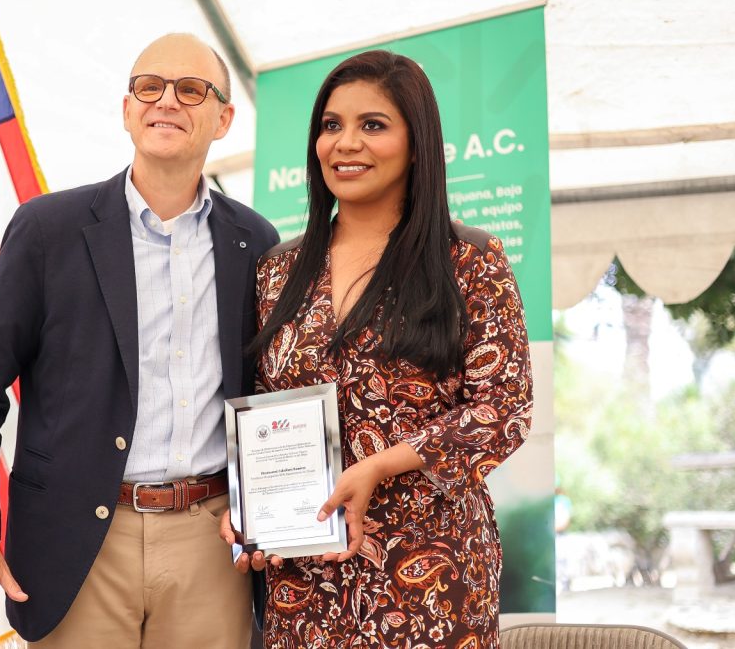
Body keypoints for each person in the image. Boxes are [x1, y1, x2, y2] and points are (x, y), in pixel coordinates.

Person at [0, 33, 278, 647]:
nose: (166, 102)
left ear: (224, 118)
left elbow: (269, 390)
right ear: (127, 110)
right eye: (149, 87)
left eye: (191, 90)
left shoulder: (255, 242)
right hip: (78, 543)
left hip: (211, 544)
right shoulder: (48, 230)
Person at [222, 50, 533, 647]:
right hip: (307, 575)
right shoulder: (277, 270)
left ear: (417, 144)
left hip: (431, 569)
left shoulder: (469, 261)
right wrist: (249, 513)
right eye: (332, 125)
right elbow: (264, 409)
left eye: (373, 125)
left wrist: (381, 465)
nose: (345, 143)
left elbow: (506, 411)